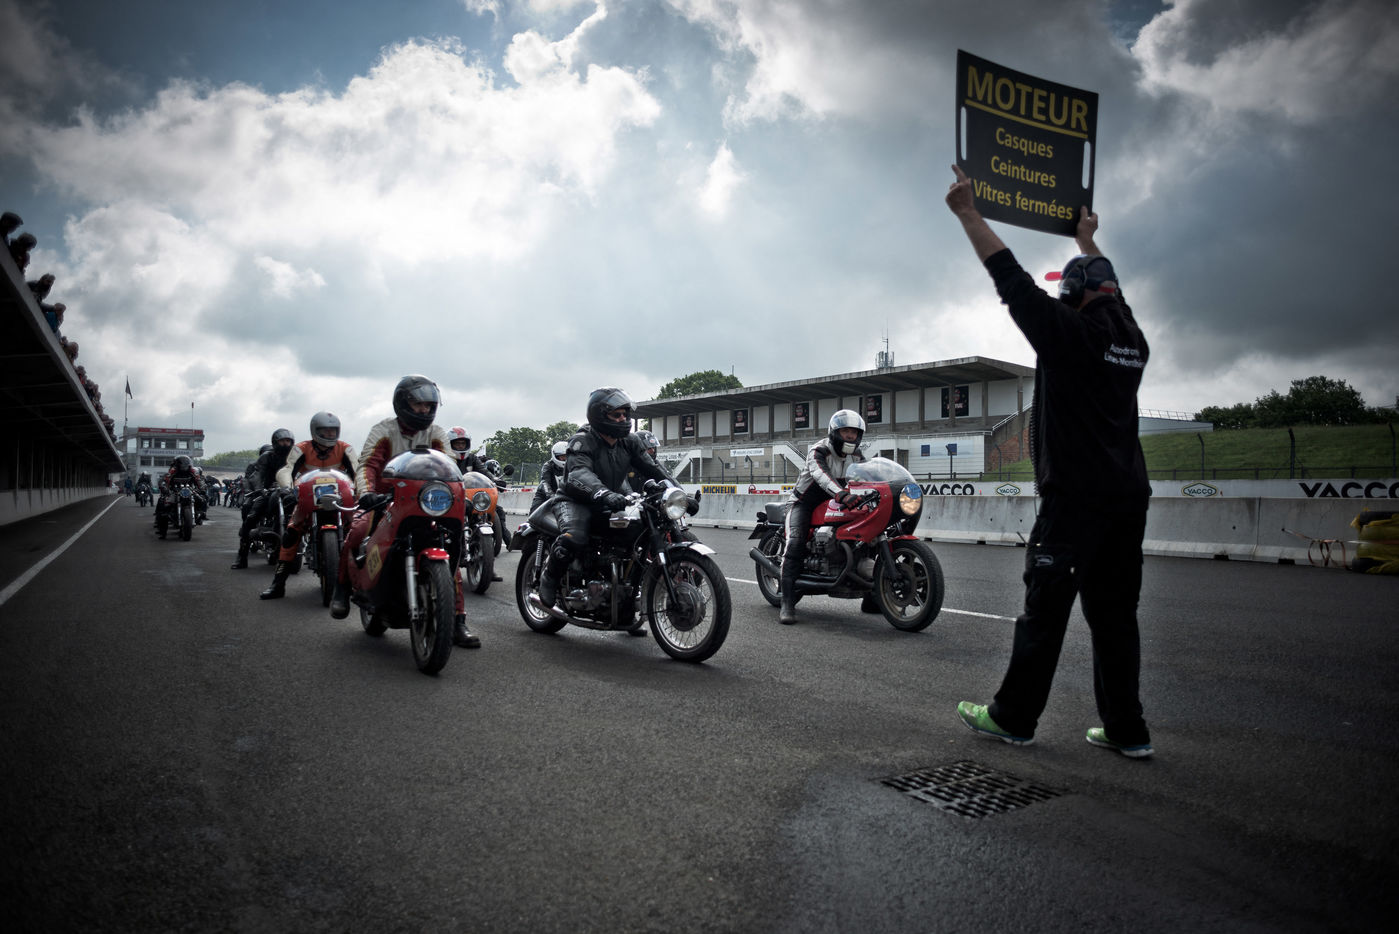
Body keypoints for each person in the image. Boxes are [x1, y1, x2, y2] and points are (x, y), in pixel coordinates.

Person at [944, 164, 1153, 758]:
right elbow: (1112, 294)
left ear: (1071, 296)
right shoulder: (1133, 340)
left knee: (1045, 610)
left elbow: (1012, 281)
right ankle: (1127, 730)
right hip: (1128, 498)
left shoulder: (1069, 335)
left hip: (1074, 498)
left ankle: (1012, 717)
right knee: (1116, 616)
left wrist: (968, 213)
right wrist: (1088, 241)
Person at [329, 376, 480, 650]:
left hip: (427, 502)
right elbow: (367, 465)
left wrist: (462, 497)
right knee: (358, 531)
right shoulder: (383, 430)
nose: (424, 410)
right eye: (418, 404)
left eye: (428, 405)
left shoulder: (437, 433)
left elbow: (450, 469)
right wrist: (367, 493)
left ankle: (458, 621)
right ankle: (341, 588)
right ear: (402, 403)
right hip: (387, 500)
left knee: (449, 552)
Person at [537, 388, 670, 608]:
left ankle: (623, 593)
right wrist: (603, 493)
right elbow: (579, 474)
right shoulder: (582, 441)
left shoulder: (629, 442)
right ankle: (549, 577)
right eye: (616, 415)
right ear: (599, 415)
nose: (623, 419)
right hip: (575, 500)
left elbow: (654, 469)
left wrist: (678, 493)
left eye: (625, 414)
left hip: (609, 500)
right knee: (574, 537)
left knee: (637, 533)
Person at [777, 410, 868, 624]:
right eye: (845, 431)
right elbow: (820, 475)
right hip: (804, 503)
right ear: (834, 432)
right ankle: (787, 602)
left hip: (836, 502)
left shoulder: (857, 456)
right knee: (796, 542)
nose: (850, 436)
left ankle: (873, 598)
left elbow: (867, 475)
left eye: (854, 432)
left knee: (865, 537)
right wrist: (841, 493)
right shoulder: (819, 450)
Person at [260, 412, 358, 600]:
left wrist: (363, 489)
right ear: (315, 431)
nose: (329, 434)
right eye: (325, 431)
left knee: (358, 529)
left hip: (341, 497)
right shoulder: (301, 448)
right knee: (292, 532)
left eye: (333, 431)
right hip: (309, 496)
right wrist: (286, 488)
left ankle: (364, 584)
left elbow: (358, 469)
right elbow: (287, 470)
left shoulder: (346, 448)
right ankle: (278, 585)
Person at [231, 432, 295, 569]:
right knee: (250, 518)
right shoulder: (267, 456)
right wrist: (260, 489)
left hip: (289, 492)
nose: (285, 444)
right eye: (282, 441)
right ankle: (242, 556)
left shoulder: (295, 457)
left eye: (288, 441)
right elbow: (257, 475)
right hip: (269, 492)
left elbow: (303, 472)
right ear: (275, 442)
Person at [528, 441, 569, 514]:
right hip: (545, 495)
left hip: (564, 496)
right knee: (534, 514)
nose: (564, 458)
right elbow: (545, 482)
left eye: (566, 456)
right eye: (562, 456)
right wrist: (551, 496)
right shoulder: (548, 466)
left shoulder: (573, 466)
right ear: (555, 456)